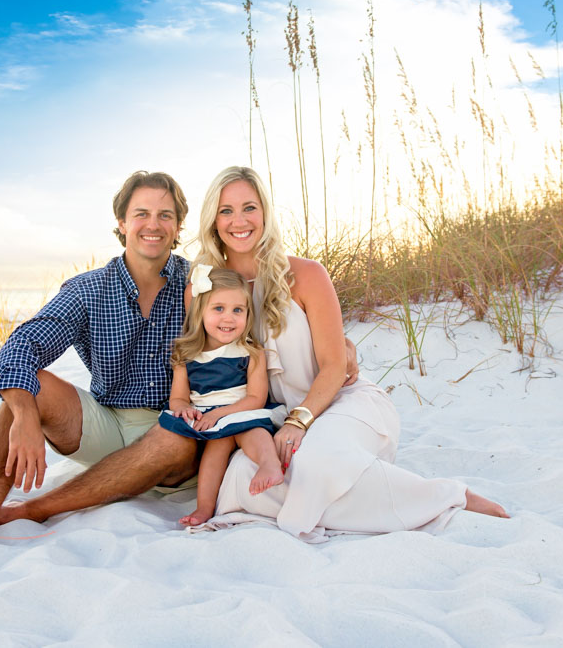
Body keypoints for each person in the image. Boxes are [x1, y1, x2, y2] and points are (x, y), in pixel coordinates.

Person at [192, 165, 508, 542]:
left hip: (340, 404)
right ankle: (358, 492)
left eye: (249, 207)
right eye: (226, 210)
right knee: (242, 481)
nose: (238, 221)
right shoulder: (205, 288)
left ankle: (447, 496)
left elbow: (333, 365)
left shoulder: (307, 274)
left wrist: (299, 421)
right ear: (213, 218)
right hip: (271, 422)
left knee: (313, 463)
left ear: (266, 213)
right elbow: (204, 361)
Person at [0, 170, 203, 554]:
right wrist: (25, 416)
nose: (153, 224)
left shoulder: (199, 281)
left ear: (179, 225)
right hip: (108, 423)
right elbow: (21, 345)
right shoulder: (88, 289)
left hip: (176, 435)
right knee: (31, 388)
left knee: (175, 440)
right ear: (122, 222)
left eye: (165, 215)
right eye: (141, 213)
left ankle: (33, 509)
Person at [157, 265, 286, 526]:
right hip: (209, 419)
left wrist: (220, 414)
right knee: (214, 452)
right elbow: (178, 398)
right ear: (200, 311)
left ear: (248, 314)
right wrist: (185, 409)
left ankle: (269, 464)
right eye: (218, 309)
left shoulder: (251, 352)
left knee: (254, 431)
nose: (229, 318)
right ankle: (204, 508)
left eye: (238, 310)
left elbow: (256, 399)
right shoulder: (186, 355)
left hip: (241, 410)